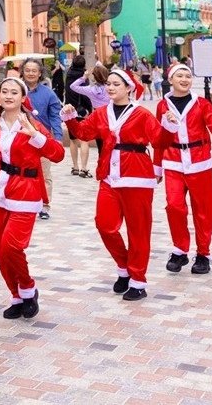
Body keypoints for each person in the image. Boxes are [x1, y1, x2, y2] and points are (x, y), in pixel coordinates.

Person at [61, 69, 160, 301]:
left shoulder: (143, 114)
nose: (110, 88)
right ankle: (124, 266)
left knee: (138, 231)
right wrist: (70, 118)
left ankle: (137, 280)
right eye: (109, 84)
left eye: (116, 84)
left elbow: (160, 140)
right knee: (104, 224)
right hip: (109, 176)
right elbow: (84, 133)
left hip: (137, 177)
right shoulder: (101, 113)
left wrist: (159, 166)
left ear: (129, 88)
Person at [0, 76, 64, 319]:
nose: (8, 95)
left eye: (14, 91)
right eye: (4, 91)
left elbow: (58, 154)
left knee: (11, 246)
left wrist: (35, 135)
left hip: (26, 191)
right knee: (1, 252)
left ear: (23, 98)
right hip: (0, 190)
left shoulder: (32, 123)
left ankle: (28, 288)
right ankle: (16, 295)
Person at [152, 63, 212, 276]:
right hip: (172, 161)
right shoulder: (162, 106)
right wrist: (157, 167)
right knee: (174, 207)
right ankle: (180, 249)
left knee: (203, 210)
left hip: (200, 162)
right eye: (179, 75)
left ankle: (203, 253)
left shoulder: (202, 104)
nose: (184, 79)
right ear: (170, 80)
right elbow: (158, 140)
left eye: (188, 75)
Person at [20, 60, 63, 220]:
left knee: (44, 173)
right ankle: (26, 202)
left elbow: (55, 117)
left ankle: (45, 205)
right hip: (20, 139)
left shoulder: (48, 93)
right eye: (27, 70)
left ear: (39, 73)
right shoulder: (17, 90)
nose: (30, 73)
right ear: (23, 72)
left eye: (34, 71)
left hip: (42, 139)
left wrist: (58, 138)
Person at [53, 57, 93, 177]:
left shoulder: (68, 75)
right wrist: (89, 109)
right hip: (81, 110)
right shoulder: (83, 77)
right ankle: (84, 168)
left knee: (73, 140)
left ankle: (75, 167)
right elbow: (85, 94)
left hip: (69, 110)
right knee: (84, 140)